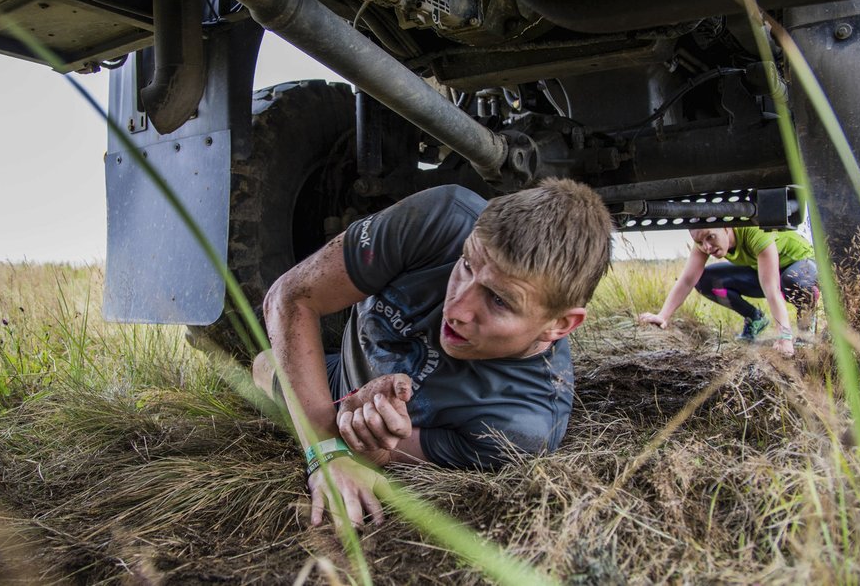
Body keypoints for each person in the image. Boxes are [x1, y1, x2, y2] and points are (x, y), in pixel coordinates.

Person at [251, 180, 613, 528]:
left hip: (365, 408)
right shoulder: (441, 217)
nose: (455, 309)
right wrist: (326, 452)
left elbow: (385, 453)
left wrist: (370, 435)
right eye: (467, 265)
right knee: (263, 365)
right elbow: (291, 296)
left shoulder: (523, 426)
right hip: (340, 372)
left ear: (560, 325)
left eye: (499, 300)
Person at [638, 225, 819, 355]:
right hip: (761, 270)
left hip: (802, 266)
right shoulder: (704, 241)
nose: (707, 246)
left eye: (710, 237)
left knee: (794, 282)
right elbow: (687, 280)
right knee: (706, 281)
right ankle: (755, 318)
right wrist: (663, 316)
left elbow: (772, 289)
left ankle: (805, 333)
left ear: (726, 227)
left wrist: (784, 336)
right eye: (699, 241)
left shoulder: (755, 231)